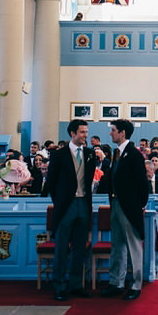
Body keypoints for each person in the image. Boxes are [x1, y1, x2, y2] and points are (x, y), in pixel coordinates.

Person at [48, 119, 98, 301]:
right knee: (61, 248)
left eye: (86, 132)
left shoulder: (90, 154)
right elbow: (51, 183)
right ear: (72, 133)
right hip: (66, 207)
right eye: (82, 132)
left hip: (83, 204)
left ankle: (77, 285)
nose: (86, 136)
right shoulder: (59, 155)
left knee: (80, 248)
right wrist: (60, 202)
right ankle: (59, 285)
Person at [102, 119, 151, 301]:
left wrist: (139, 206)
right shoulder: (117, 153)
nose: (111, 133)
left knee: (133, 246)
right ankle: (117, 282)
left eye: (113, 130)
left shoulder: (134, 155)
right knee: (117, 246)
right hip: (115, 204)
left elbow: (142, 184)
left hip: (129, 207)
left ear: (122, 133)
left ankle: (136, 285)